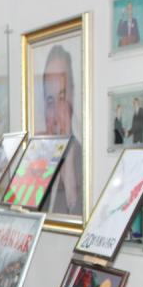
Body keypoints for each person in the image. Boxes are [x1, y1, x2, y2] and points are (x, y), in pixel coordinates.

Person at [42, 44, 83, 216]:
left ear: (72, 94)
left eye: (61, 97)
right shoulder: (36, 162)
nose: (57, 110)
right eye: (50, 100)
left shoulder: (86, 162)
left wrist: (69, 168)